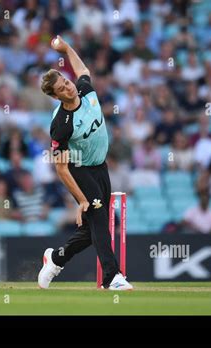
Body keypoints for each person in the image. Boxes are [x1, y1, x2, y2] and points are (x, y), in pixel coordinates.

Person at [38, 35, 132, 290]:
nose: (68, 88)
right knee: (100, 218)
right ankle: (112, 277)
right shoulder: (60, 125)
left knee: (97, 226)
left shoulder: (84, 89)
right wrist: (80, 199)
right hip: (79, 169)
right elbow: (61, 168)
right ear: (56, 97)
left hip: (100, 165)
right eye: (61, 89)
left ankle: (56, 258)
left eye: (66, 83)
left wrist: (67, 48)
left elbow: (83, 70)